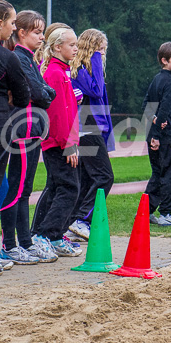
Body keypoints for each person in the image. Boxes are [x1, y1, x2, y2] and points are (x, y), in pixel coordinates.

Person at [0, 10, 58, 264]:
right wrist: (44, 93)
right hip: (20, 131)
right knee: (16, 189)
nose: (41, 37)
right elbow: (38, 92)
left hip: (32, 130)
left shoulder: (30, 59)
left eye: (42, 32)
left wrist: (44, 92)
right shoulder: (19, 58)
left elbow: (46, 91)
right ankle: (10, 245)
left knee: (25, 189)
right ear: (21, 33)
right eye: (37, 32)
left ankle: (25, 241)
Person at [31, 25, 83, 257]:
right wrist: (68, 144)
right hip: (58, 143)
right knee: (69, 188)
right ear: (58, 47)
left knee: (58, 188)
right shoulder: (54, 72)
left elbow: (68, 110)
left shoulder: (63, 72)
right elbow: (58, 115)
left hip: (62, 140)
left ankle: (47, 234)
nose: (76, 48)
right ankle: (47, 235)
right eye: (72, 45)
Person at [0, 0, 31, 275]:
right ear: (0, 23)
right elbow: (25, 95)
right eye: (12, 22)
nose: (14, 28)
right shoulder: (7, 56)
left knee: (0, 188)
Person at [65, 28, 115, 241]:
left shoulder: (90, 70)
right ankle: (81, 220)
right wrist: (95, 58)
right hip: (86, 127)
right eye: (99, 49)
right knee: (105, 176)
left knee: (88, 178)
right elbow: (95, 91)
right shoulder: (79, 71)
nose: (102, 54)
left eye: (103, 50)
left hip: (94, 126)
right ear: (89, 49)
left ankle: (74, 224)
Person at [142, 42, 171, 226]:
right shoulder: (170, 82)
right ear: (164, 60)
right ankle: (166, 214)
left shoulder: (156, 79)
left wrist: (153, 129)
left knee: (157, 174)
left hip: (154, 135)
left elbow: (146, 106)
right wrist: (158, 137)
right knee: (169, 175)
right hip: (165, 138)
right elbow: (165, 110)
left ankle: (146, 212)